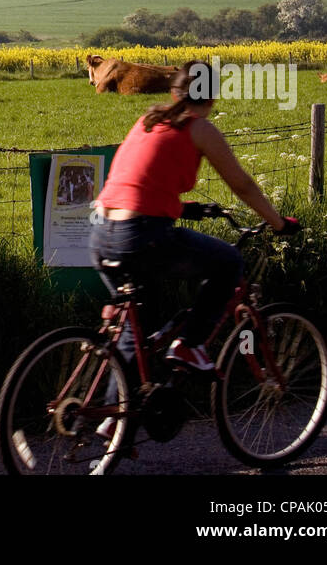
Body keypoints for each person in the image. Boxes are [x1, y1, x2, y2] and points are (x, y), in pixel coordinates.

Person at [89, 60, 299, 380]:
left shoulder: (148, 118)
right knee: (228, 262)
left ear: (175, 91)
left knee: (137, 332)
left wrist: (181, 208)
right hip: (140, 235)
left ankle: (115, 421)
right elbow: (241, 185)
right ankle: (190, 345)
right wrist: (278, 223)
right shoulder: (199, 128)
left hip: (102, 232)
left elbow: (137, 181)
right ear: (212, 97)